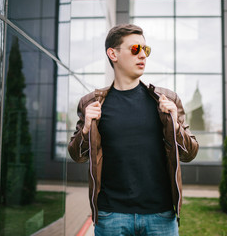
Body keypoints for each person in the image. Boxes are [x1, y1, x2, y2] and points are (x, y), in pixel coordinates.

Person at [68, 24, 199, 236]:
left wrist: (174, 123)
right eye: (135, 49)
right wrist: (86, 129)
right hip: (111, 216)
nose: (143, 56)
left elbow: (189, 153)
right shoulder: (91, 104)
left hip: (161, 215)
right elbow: (77, 156)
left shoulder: (165, 101)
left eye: (145, 50)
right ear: (113, 54)